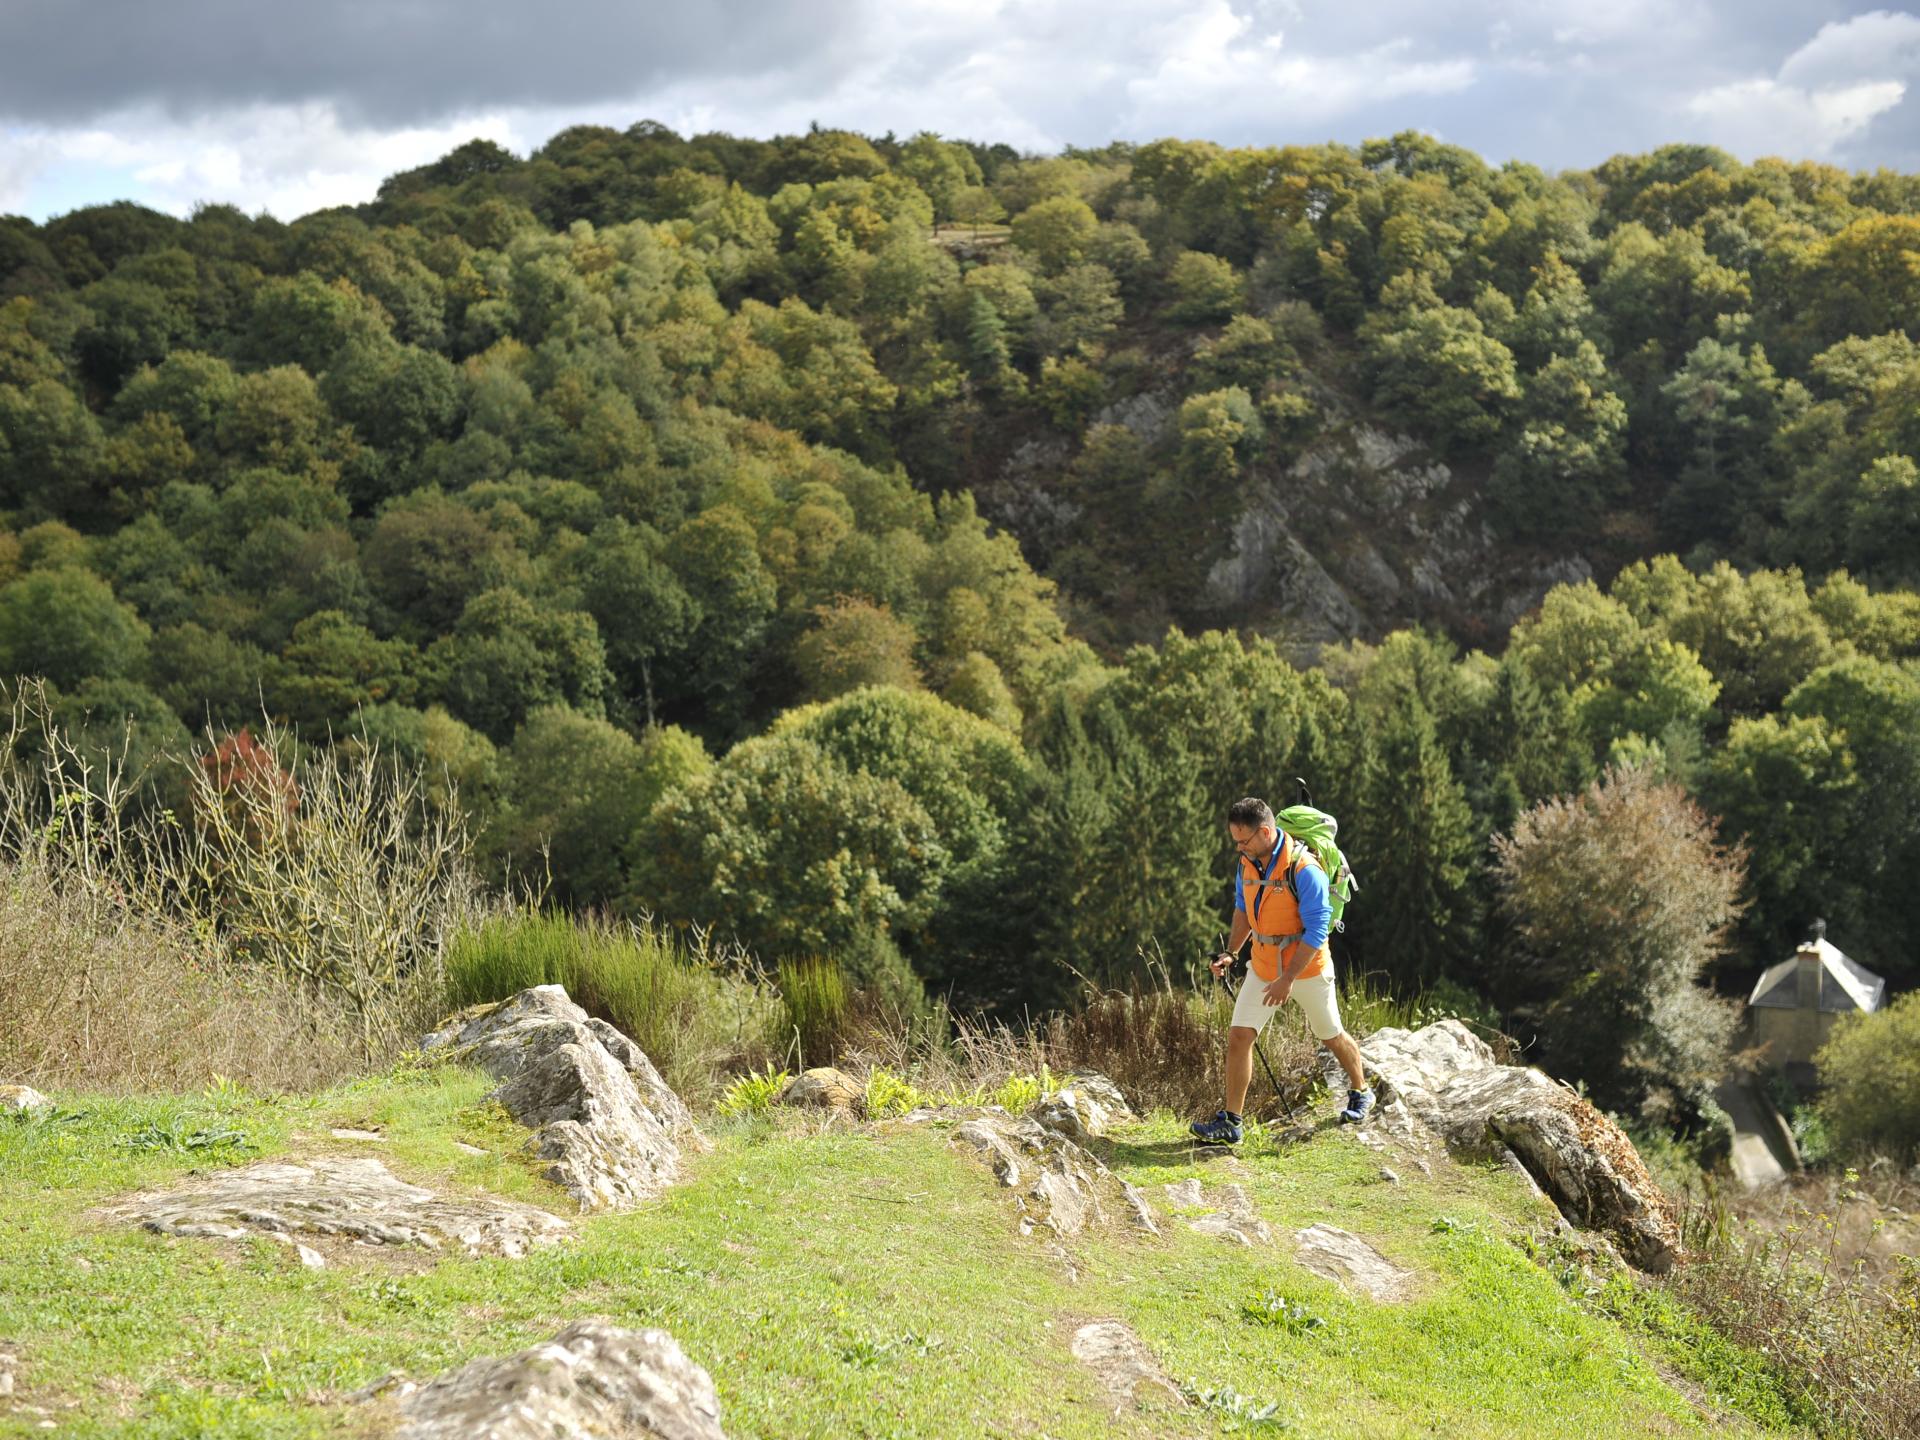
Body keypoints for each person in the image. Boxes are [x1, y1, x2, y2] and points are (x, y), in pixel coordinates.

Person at [1190, 796, 1372, 1145]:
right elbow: (1243, 910)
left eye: (1243, 840)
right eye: (1235, 841)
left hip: (1306, 970)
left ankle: (1361, 1090)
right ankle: (1232, 1122)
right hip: (1261, 966)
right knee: (1239, 1037)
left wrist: (1288, 978)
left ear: (1265, 832)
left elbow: (1318, 930)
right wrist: (1231, 952)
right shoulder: (1247, 863)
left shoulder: (1305, 869)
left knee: (1330, 1033)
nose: (1238, 847)